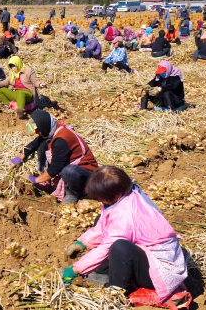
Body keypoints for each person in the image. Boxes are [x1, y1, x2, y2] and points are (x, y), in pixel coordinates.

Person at [62, 166, 189, 306]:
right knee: (101, 219)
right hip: (147, 253)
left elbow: (108, 245)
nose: (100, 201)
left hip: (160, 271)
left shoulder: (126, 215)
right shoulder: (126, 192)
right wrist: (83, 242)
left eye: (101, 198)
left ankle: (117, 291)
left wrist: (75, 269)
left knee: (119, 247)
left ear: (114, 195)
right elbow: (104, 225)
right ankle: (106, 271)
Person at [10, 110, 98, 203]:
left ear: (44, 126)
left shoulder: (61, 139)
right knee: (43, 145)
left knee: (69, 171)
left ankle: (74, 193)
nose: (36, 132)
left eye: (38, 130)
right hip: (71, 172)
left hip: (84, 175)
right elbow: (36, 143)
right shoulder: (50, 131)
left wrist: (36, 179)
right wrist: (21, 157)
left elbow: (55, 168)